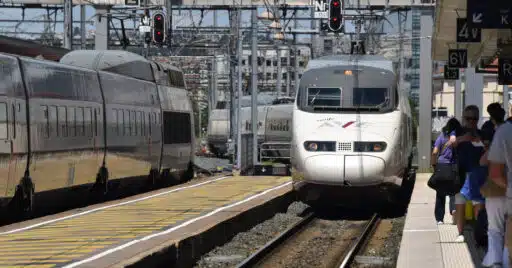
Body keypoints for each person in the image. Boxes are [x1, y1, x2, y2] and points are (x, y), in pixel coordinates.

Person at [453, 105, 486, 242]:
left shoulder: (482, 134)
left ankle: (478, 232)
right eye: (468, 118)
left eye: (474, 118)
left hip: (478, 174)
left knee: (478, 205)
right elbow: (449, 145)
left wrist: (482, 143)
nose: (471, 121)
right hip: (462, 173)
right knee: (460, 204)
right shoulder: (458, 132)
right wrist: (462, 139)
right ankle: (460, 233)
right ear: (464, 118)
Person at [481, 103, 508, 268]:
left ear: (491, 118)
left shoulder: (497, 133)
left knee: (495, 229)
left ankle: (497, 261)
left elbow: (485, 161)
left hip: (498, 190)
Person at [488, 109, 512, 267]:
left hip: (504, 193)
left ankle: (499, 262)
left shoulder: (504, 132)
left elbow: (494, 172)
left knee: (497, 229)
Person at [431, 118, 462, 224]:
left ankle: (439, 219)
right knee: (453, 190)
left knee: (440, 192)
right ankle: (453, 210)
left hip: (441, 166)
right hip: (453, 167)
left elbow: (435, 152)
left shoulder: (441, 136)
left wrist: (434, 165)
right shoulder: (459, 138)